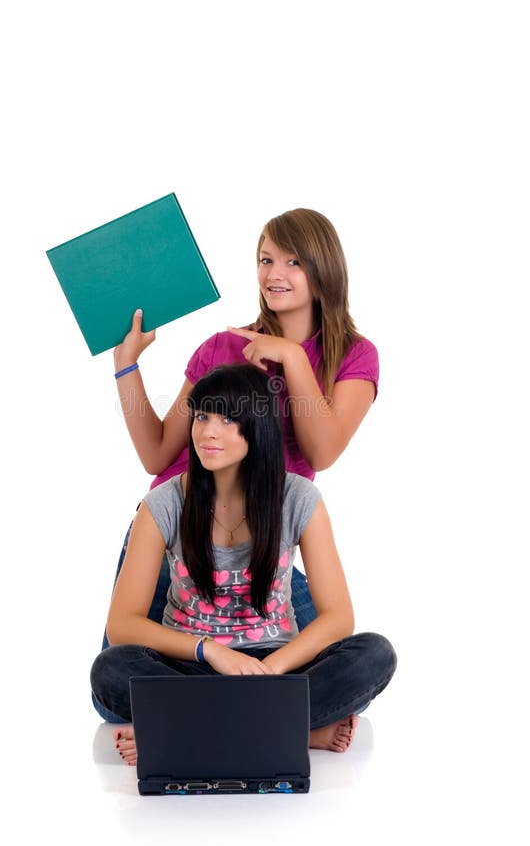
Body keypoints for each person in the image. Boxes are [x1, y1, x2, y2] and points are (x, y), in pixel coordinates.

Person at [90, 365, 396, 764]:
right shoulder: (163, 504)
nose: (207, 432)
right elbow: (123, 624)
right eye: (201, 416)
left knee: (375, 654)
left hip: (273, 669)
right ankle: (294, 730)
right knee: (110, 669)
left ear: (258, 428)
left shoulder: (298, 498)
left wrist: (270, 670)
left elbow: (338, 617)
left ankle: (179, 729)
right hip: (190, 667)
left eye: (228, 419)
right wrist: (212, 651)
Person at [104, 207, 378, 645]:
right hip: (180, 530)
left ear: (323, 268)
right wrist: (126, 366)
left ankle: (230, 695)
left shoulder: (354, 356)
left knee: (345, 669)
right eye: (266, 260)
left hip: (265, 541)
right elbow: (156, 454)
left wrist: (290, 356)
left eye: (293, 261)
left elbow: (322, 451)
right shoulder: (222, 346)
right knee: (118, 689)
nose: (275, 273)